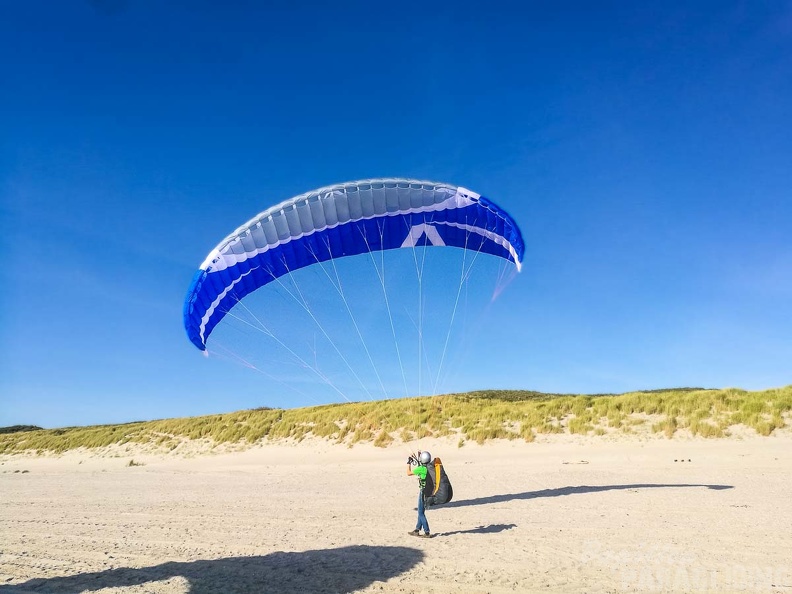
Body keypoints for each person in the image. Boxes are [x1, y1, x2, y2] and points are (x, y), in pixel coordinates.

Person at [406, 450, 433, 538]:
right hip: (429, 492)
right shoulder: (430, 466)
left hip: (423, 492)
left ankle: (427, 532)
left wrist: (408, 462)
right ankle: (417, 530)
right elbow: (421, 466)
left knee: (421, 513)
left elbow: (408, 473)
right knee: (421, 511)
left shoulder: (421, 469)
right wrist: (418, 456)